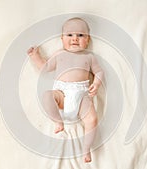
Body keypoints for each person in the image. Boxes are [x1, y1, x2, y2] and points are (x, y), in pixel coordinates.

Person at [27, 17, 105, 163]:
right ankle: (58, 121)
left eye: (80, 35)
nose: (75, 39)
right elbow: (45, 68)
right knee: (47, 96)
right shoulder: (59, 54)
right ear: (62, 39)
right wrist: (35, 56)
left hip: (82, 94)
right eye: (70, 35)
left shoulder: (89, 56)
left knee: (92, 119)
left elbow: (99, 72)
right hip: (61, 93)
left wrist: (97, 83)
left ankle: (86, 149)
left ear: (87, 40)